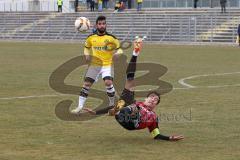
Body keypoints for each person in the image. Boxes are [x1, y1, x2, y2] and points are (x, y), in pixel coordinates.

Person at [84, 38, 184, 141]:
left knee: (128, 106)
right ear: (145, 99)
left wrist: (170, 138)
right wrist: (95, 112)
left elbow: (156, 135)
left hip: (132, 123)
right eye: (152, 97)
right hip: (125, 115)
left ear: (155, 105)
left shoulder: (153, 117)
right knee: (130, 82)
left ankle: (118, 111)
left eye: (155, 100)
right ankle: (135, 53)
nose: (153, 100)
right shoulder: (137, 104)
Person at [71, 16, 123, 114]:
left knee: (108, 82)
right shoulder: (91, 38)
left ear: (106, 25)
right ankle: (79, 107)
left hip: (107, 65)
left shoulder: (111, 38)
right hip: (95, 65)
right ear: (96, 25)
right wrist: (86, 55)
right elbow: (86, 47)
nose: (102, 25)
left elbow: (119, 48)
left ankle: (112, 105)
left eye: (104, 24)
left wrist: (118, 53)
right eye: (100, 24)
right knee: (86, 84)